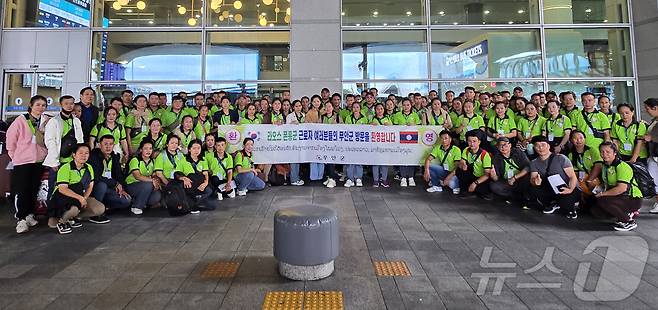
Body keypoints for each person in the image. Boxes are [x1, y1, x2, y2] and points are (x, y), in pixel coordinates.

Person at [6, 95, 48, 233]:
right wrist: (15, 156)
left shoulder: (45, 120)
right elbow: (11, 140)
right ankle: (21, 218)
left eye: (43, 105)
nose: (40, 107)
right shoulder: (21, 120)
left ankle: (30, 214)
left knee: (33, 189)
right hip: (22, 161)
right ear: (31, 105)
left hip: (38, 161)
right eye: (38, 105)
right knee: (21, 190)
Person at [48, 144, 106, 234]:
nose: (84, 155)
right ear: (74, 155)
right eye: (81, 153)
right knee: (74, 209)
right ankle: (62, 222)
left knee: (100, 208)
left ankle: (72, 217)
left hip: (80, 195)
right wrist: (80, 198)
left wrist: (85, 198)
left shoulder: (89, 167)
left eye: (86, 153)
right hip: (63, 197)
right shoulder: (66, 168)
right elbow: (62, 189)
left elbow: (91, 185)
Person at [592, 142, 643, 231]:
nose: (604, 154)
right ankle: (623, 214)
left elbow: (621, 188)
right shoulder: (605, 166)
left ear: (615, 152)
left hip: (632, 198)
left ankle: (628, 221)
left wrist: (602, 194)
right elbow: (607, 183)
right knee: (596, 211)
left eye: (608, 152)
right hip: (619, 196)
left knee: (602, 200)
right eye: (602, 152)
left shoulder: (622, 166)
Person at [44, 95, 85, 205]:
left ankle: (68, 213)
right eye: (66, 103)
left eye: (71, 103)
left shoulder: (76, 121)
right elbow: (50, 141)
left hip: (72, 161)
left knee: (72, 188)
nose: (69, 106)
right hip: (58, 161)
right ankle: (51, 214)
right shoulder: (54, 121)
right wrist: (53, 161)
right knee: (54, 187)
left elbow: (80, 140)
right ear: (61, 105)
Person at [528, 136, 580, 219]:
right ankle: (553, 203)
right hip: (551, 188)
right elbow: (532, 178)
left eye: (543, 145)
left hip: (568, 188)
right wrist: (535, 182)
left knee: (565, 202)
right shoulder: (534, 162)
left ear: (548, 146)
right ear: (534, 147)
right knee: (532, 189)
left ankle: (571, 206)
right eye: (537, 145)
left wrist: (570, 189)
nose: (540, 148)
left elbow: (572, 177)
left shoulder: (561, 158)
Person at [88, 134, 130, 217]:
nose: (108, 147)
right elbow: (96, 177)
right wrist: (115, 183)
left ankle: (105, 207)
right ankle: (96, 212)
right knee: (101, 185)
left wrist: (122, 188)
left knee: (127, 201)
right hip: (95, 188)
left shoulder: (115, 157)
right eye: (105, 144)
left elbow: (119, 175)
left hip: (110, 188)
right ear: (100, 145)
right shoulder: (93, 156)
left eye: (111, 144)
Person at [174, 139, 218, 212]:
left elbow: (205, 173)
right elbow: (177, 173)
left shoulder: (203, 160)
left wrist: (206, 182)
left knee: (211, 201)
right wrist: (184, 178)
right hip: (189, 185)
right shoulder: (183, 160)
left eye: (198, 148)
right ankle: (193, 203)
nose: (196, 150)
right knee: (190, 177)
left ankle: (194, 202)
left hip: (200, 183)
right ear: (189, 149)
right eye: (194, 148)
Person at [489, 137, 530, 207]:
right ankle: (515, 195)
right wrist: (493, 175)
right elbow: (497, 179)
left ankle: (519, 195)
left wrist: (515, 178)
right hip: (507, 181)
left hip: (520, 178)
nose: (503, 147)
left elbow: (527, 167)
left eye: (505, 144)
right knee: (493, 186)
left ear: (510, 145)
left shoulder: (518, 152)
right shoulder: (496, 158)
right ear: (498, 147)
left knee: (527, 178)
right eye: (500, 145)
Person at [125, 139, 161, 215]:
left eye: (150, 148)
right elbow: (137, 176)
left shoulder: (153, 161)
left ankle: (137, 200)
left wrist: (156, 181)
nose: (148, 151)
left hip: (145, 186)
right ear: (141, 150)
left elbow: (155, 175)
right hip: (131, 185)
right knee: (148, 185)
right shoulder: (135, 160)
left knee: (157, 196)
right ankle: (136, 206)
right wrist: (152, 181)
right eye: (145, 148)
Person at [456, 130, 492, 199]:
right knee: (459, 171)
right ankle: (467, 191)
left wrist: (475, 183)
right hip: (472, 174)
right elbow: (462, 161)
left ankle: (474, 191)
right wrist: (462, 164)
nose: (472, 144)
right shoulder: (466, 150)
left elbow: (487, 175)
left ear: (479, 142)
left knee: (483, 190)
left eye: (474, 141)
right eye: (469, 141)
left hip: (481, 178)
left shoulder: (485, 154)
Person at [566, 130, 603, 199]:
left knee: (597, 194)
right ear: (571, 140)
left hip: (595, 177)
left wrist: (590, 180)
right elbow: (574, 171)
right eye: (575, 138)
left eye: (581, 138)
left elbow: (599, 165)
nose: (579, 140)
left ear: (585, 139)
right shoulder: (570, 155)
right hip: (582, 178)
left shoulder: (592, 150)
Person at [343, 101, 369, 187]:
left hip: (360, 144)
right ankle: (350, 179)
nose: (355, 109)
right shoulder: (348, 117)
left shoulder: (364, 118)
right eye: (354, 107)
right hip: (350, 143)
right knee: (350, 162)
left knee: (359, 162)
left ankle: (358, 178)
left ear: (360, 109)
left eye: (357, 107)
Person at [643, 98, 658, 213]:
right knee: (653, 179)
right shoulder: (655, 120)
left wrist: (651, 138)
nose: (646, 111)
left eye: (648, 109)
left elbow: (654, 135)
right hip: (653, 154)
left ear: (655, 108)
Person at [286, 100, 306, 186]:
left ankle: (296, 177)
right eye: (296, 106)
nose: (298, 108)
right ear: (293, 107)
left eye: (300, 106)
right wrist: (291, 124)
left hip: (301, 141)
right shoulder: (289, 116)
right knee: (293, 160)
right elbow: (286, 129)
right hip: (292, 141)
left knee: (298, 159)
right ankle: (294, 179)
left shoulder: (304, 115)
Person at [321, 102, 340, 188]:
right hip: (324, 143)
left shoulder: (338, 117)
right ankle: (329, 177)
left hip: (334, 143)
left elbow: (343, 128)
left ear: (332, 108)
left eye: (329, 106)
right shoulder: (321, 117)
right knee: (326, 160)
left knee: (332, 160)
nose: (328, 108)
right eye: (326, 107)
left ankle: (333, 179)